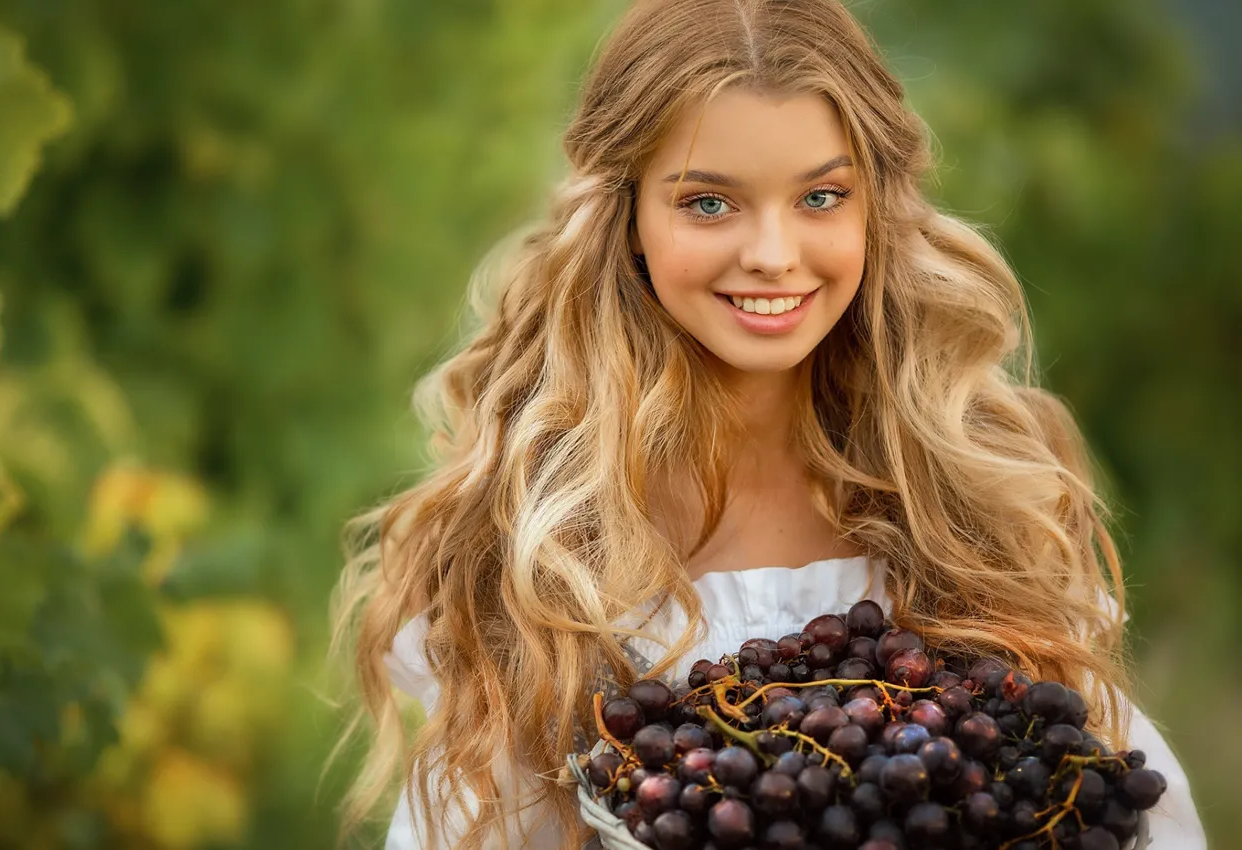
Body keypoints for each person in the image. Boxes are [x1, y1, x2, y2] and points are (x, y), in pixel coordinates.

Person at [328, 0, 1208, 847]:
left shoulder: (970, 492)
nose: (774, 257)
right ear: (628, 218)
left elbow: (1112, 802)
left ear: (875, 205)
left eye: (820, 197)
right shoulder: (551, 544)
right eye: (709, 203)